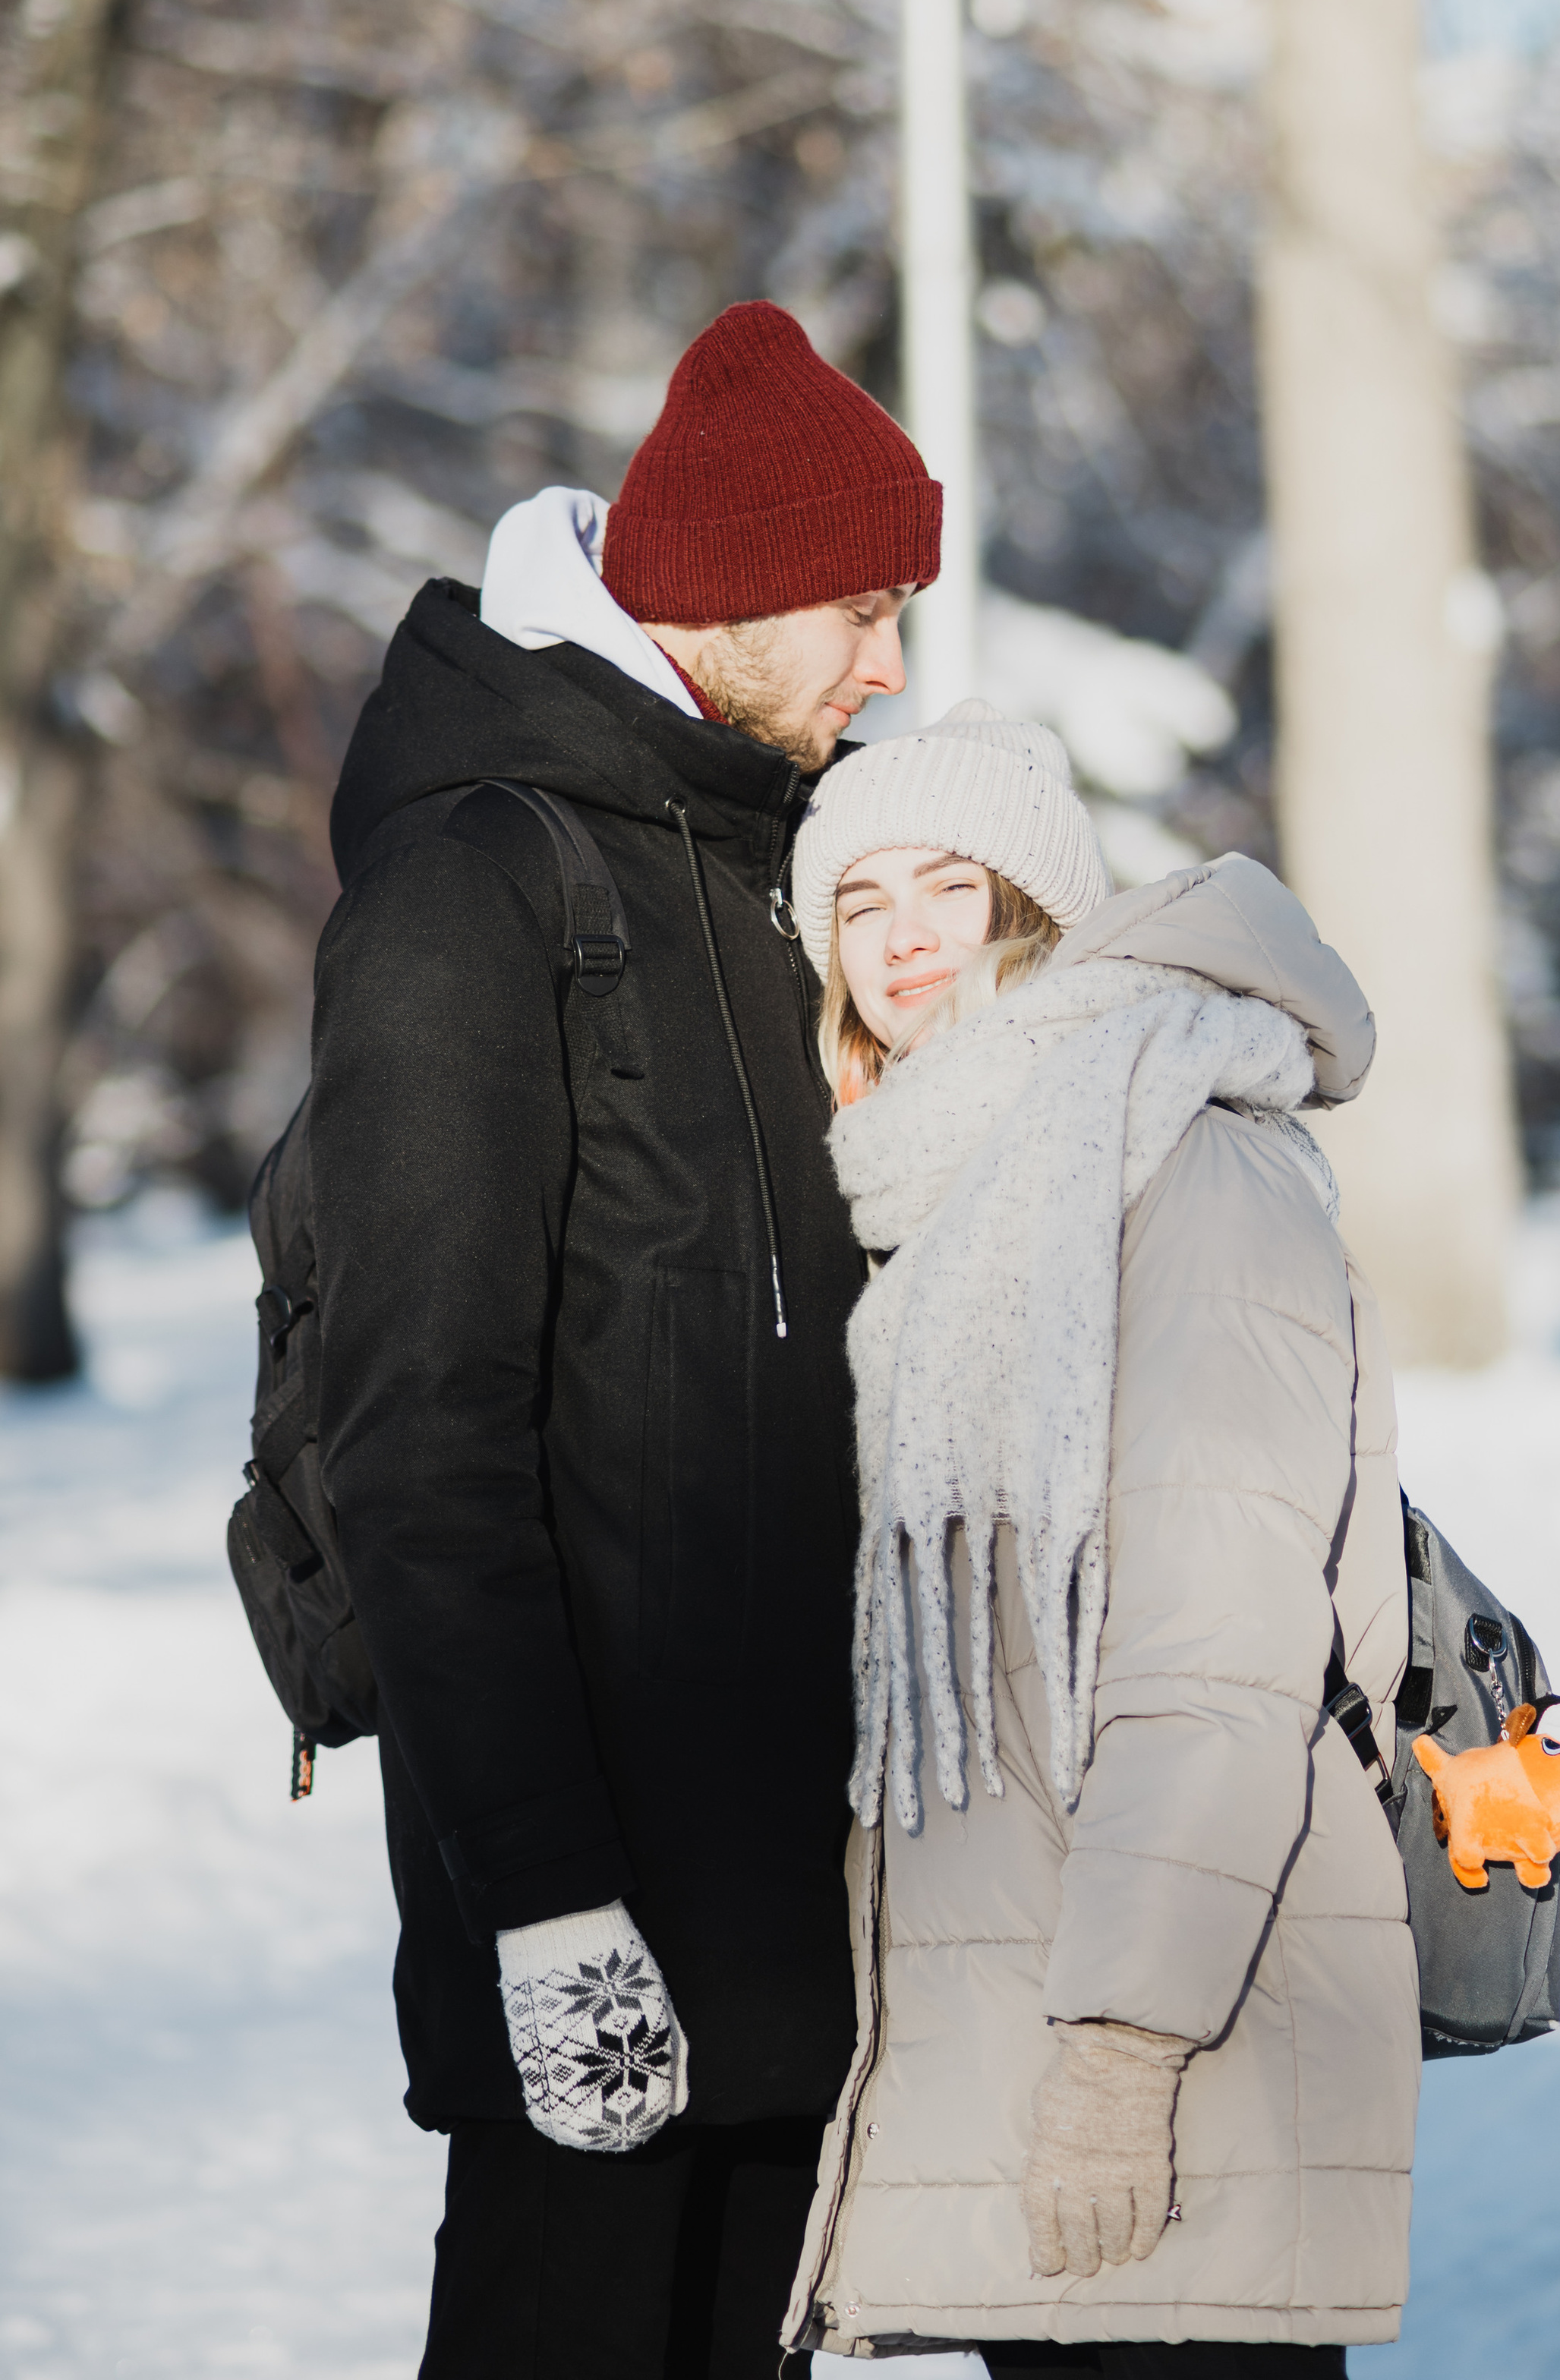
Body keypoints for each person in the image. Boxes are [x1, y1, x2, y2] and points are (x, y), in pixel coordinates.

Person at [307, 300, 941, 2378]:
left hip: (797, 1918)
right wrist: (546, 1908)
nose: (891, 663)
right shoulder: (476, 889)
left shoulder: (783, 868)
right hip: (591, 1929)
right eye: (863, 603)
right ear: (737, 591)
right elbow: (418, 1446)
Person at [779, 702, 1420, 2375]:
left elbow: (1217, 1641)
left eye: (952, 885)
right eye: (861, 901)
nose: (907, 935)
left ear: (1035, 907)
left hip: (1173, 2029)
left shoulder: (1177, 1150)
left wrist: (1122, 2052)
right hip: (1032, 2006)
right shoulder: (935, 1190)